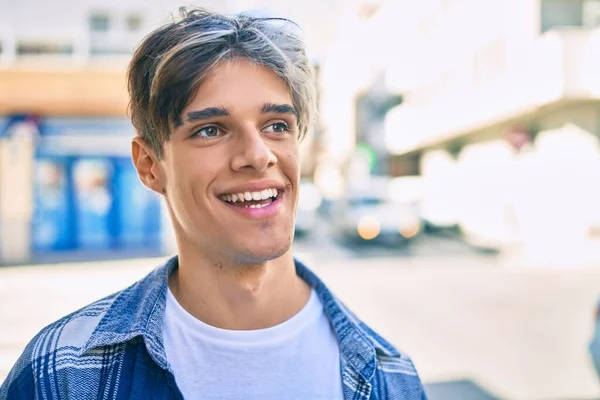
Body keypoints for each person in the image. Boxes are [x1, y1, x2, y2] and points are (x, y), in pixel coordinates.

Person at [0, 7, 426, 400]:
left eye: (277, 125)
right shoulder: (60, 376)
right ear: (150, 166)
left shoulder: (393, 381)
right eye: (211, 130)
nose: (259, 154)